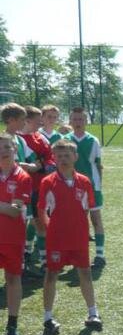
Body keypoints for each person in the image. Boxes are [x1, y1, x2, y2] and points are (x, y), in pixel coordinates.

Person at [38, 139, 103, 335]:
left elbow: (88, 208)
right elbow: (42, 210)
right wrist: (51, 230)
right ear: (54, 158)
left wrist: (86, 228)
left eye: (67, 155)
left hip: (78, 238)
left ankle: (93, 313)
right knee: (51, 275)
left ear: (75, 157)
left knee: (85, 273)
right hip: (57, 239)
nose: (63, 159)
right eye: (59, 156)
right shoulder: (47, 182)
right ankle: (48, 318)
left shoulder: (84, 181)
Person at [0, 133, 32, 335]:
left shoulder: (23, 177)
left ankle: (12, 325)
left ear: (15, 150)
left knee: (12, 279)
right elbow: (9, 208)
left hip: (12, 238)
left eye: (6, 147)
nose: (3, 151)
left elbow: (14, 211)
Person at [65, 107, 106, 268]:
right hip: (71, 186)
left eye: (81, 119)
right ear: (70, 121)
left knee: (96, 219)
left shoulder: (93, 140)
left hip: (91, 186)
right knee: (75, 221)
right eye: (75, 119)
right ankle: (76, 255)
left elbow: (98, 164)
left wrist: (99, 185)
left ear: (86, 121)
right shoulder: (65, 140)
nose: (78, 122)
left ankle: (100, 255)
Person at [21, 106, 56, 270]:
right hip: (20, 189)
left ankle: (43, 261)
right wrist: (29, 166)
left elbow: (51, 160)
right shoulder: (16, 139)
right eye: (38, 121)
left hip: (38, 187)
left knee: (39, 222)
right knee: (23, 223)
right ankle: (24, 257)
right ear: (26, 121)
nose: (41, 123)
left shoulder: (41, 138)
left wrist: (40, 165)